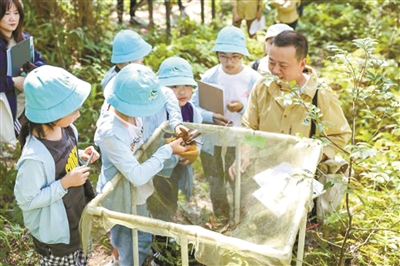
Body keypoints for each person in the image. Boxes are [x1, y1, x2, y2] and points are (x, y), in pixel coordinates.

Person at [94, 63, 188, 266]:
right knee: (126, 243)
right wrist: (168, 150)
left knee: (143, 234)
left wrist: (176, 123)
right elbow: (137, 174)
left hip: (138, 192)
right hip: (119, 194)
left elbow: (166, 94)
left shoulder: (132, 101)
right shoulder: (110, 133)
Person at [229, 30, 351, 178]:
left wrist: (311, 159)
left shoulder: (321, 95)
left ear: (302, 64)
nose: (275, 70)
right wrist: (246, 151)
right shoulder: (262, 87)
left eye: (283, 65)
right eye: (271, 62)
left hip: (301, 179)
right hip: (263, 175)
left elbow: (338, 136)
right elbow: (250, 128)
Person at [14, 65, 100, 266]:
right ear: (52, 113)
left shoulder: (68, 129)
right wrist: (64, 184)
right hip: (58, 236)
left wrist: (80, 154)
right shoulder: (33, 159)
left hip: (76, 218)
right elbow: (26, 201)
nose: (78, 113)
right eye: (73, 109)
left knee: (81, 259)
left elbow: (61, 159)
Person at [192, 25, 262, 223]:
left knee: (240, 184)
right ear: (217, 55)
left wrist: (242, 107)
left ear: (242, 56)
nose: (229, 62)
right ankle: (221, 219)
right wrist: (210, 116)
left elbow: (262, 113)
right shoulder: (210, 77)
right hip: (213, 141)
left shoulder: (254, 80)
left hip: (241, 142)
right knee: (216, 183)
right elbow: (194, 109)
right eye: (223, 56)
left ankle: (242, 220)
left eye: (234, 57)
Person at [147, 56, 202, 222]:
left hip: (177, 164)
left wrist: (194, 151)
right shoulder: (154, 110)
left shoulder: (192, 111)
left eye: (187, 86)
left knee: (171, 200)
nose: (182, 91)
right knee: (155, 202)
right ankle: (156, 237)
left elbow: (198, 134)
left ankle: (166, 234)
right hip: (155, 167)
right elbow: (147, 140)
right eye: (174, 86)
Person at [0, 0, 45, 144]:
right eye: (7, 14)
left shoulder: (23, 38)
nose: (13, 18)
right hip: (6, 106)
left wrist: (31, 70)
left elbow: (40, 61)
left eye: (16, 13)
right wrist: (12, 82)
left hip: (27, 101)